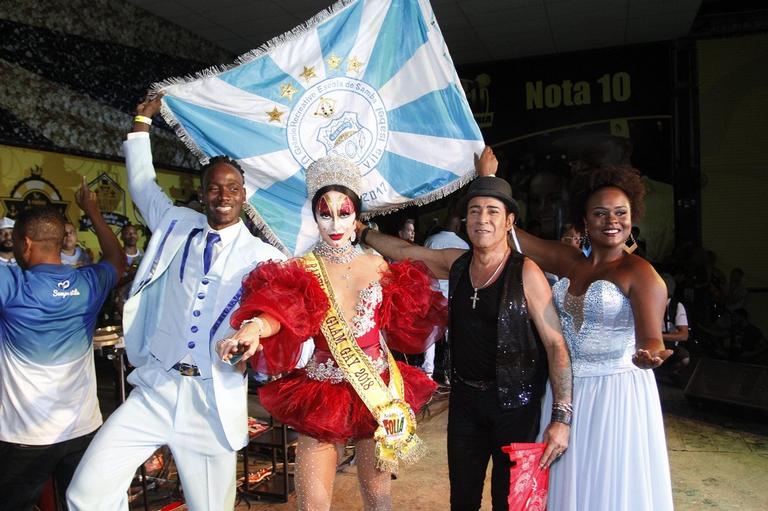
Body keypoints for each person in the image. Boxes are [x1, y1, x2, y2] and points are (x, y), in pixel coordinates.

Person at [66, 96, 285, 510]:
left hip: (210, 399)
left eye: (233, 188)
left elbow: (277, 310)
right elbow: (142, 183)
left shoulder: (263, 256)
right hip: (156, 387)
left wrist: (255, 332)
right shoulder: (175, 224)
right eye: (215, 187)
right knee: (87, 492)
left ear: (244, 195)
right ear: (201, 194)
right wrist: (141, 122)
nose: (224, 194)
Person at [216, 155, 446, 510]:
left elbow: (406, 320)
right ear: (315, 217)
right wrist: (253, 327)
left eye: (344, 212)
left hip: (378, 391)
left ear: (357, 216)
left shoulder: (377, 265)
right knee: (312, 504)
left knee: (379, 498)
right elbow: (277, 311)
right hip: (322, 393)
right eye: (326, 213)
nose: (335, 222)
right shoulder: (302, 268)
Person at [354, 147, 572, 511]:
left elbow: (555, 345)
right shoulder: (457, 264)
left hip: (515, 407)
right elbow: (408, 253)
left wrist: (561, 417)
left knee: (512, 501)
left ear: (509, 222)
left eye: (492, 212)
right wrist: (363, 233)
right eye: (474, 211)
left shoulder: (526, 272)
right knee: (463, 499)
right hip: (466, 404)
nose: (481, 219)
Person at [477, 147, 674, 510]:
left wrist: (652, 356)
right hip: (567, 390)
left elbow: (651, 338)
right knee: (568, 484)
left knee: (607, 486)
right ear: (584, 221)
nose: (611, 221)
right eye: (600, 214)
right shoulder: (572, 262)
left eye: (620, 213)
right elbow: (513, 237)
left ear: (633, 218)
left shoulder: (641, 273)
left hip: (617, 395)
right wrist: (487, 182)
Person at [0, 180, 124, 510]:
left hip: (26, 439)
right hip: (82, 430)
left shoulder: (12, 284)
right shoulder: (87, 283)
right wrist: (93, 211)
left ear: (25, 244)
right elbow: (116, 259)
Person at [422, 212, 469, 385]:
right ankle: (451, 373)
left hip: (433, 295)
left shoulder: (431, 241)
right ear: (457, 227)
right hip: (453, 296)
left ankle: (428, 371)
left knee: (431, 335)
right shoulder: (463, 245)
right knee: (453, 336)